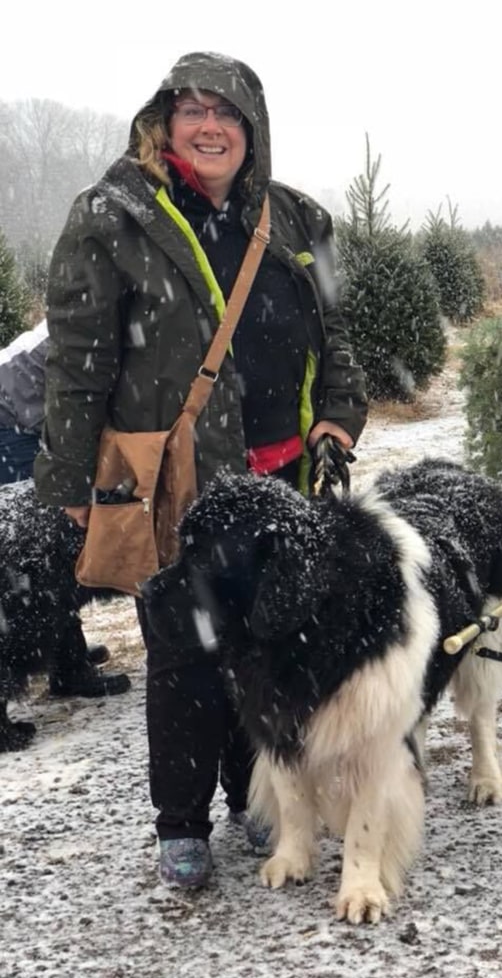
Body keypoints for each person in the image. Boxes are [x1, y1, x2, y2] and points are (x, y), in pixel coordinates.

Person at [34, 52, 368, 890]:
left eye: (228, 112)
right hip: (178, 487)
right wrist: (68, 482)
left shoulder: (302, 221)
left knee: (270, 639)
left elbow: (340, 329)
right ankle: (180, 820)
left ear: (252, 131)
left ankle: (253, 794)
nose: (210, 126)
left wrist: (342, 408)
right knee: (185, 648)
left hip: (287, 478)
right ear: (164, 122)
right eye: (193, 111)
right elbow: (77, 365)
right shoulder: (111, 219)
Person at [0, 321, 130, 698]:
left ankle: (65, 655)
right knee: (47, 550)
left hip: (20, 412)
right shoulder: (91, 328)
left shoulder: (88, 316)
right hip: (10, 422)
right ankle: (68, 669)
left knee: (51, 551)